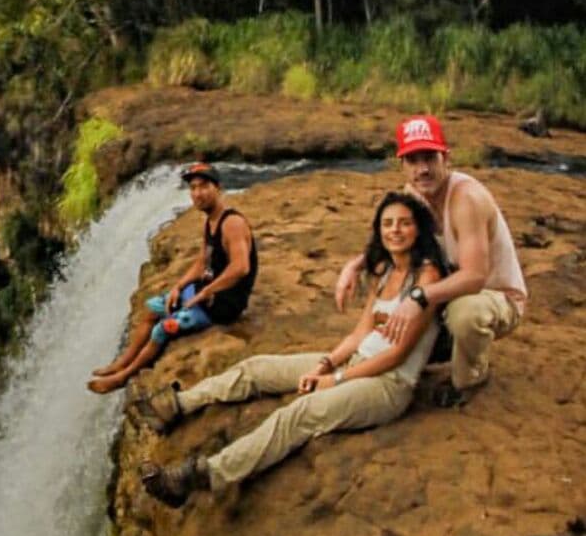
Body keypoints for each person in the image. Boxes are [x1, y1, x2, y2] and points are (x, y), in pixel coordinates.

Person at [142, 191, 445, 507]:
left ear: (418, 229)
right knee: (256, 368)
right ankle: (177, 405)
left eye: (404, 223)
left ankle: (205, 475)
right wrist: (326, 364)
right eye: (388, 223)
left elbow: (397, 354)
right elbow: (360, 333)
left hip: (388, 385)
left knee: (300, 413)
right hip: (357, 362)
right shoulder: (384, 272)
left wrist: (335, 380)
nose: (395, 230)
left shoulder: (427, 276)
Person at [335, 115, 527, 403]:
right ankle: (428, 349)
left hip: (496, 296)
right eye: (413, 160)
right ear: (402, 165)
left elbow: (475, 276)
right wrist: (354, 265)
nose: (422, 169)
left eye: (429, 158)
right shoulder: (414, 195)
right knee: (399, 276)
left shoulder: (466, 198)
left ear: (445, 158)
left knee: (465, 313)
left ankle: (470, 378)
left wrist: (419, 297)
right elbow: (394, 241)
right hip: (451, 290)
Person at [89, 161, 257, 394]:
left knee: (162, 329)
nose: (197, 193)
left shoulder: (232, 223)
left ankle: (122, 377)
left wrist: (206, 292)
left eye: (204, 186)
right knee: (152, 309)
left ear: (218, 188)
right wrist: (179, 286)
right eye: (193, 188)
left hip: (221, 305)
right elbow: (202, 261)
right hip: (202, 293)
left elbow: (241, 267)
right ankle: (122, 362)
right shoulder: (210, 220)